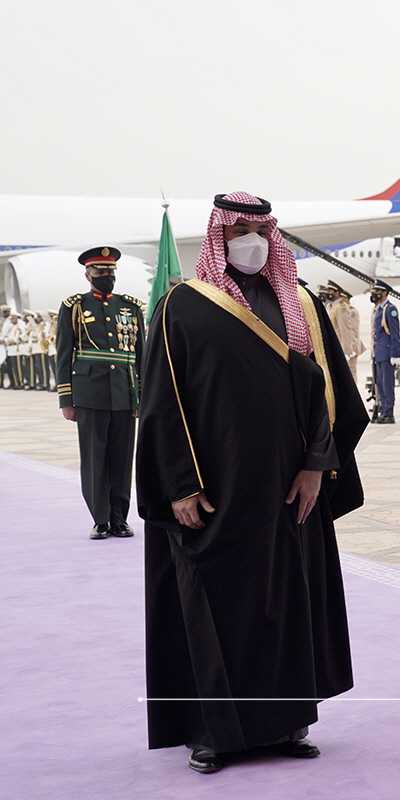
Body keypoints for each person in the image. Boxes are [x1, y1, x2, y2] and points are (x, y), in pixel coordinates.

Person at [137, 192, 368, 772]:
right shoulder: (182, 306)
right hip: (215, 490)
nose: (250, 239)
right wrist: (179, 483)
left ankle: (285, 723)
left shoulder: (304, 306)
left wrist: (318, 465)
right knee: (214, 604)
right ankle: (213, 731)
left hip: (292, 490)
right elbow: (163, 402)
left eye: (259, 229)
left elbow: (329, 396)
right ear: (218, 235)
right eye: (237, 229)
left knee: (288, 604)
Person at [56, 246, 144, 539]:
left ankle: (120, 517)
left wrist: (143, 396)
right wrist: (67, 400)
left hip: (124, 392)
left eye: (110, 272)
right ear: (88, 274)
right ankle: (100, 518)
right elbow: (64, 353)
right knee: (95, 458)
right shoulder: (74, 306)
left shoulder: (130, 307)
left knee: (122, 457)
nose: (107, 276)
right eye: (100, 271)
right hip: (89, 392)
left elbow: (141, 354)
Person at [369, 279, 400, 424]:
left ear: (385, 292)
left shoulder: (390, 309)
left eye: (378, 291)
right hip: (379, 352)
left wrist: (395, 353)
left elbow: (395, 333)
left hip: (387, 352)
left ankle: (389, 412)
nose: (375, 294)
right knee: (380, 384)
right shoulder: (379, 309)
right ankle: (384, 410)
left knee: (387, 383)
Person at [323, 280, 365, 385]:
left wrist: (347, 351)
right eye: (327, 290)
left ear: (337, 293)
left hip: (343, 348)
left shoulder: (341, 307)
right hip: (336, 347)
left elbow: (345, 330)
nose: (328, 292)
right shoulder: (332, 306)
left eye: (330, 290)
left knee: (349, 378)